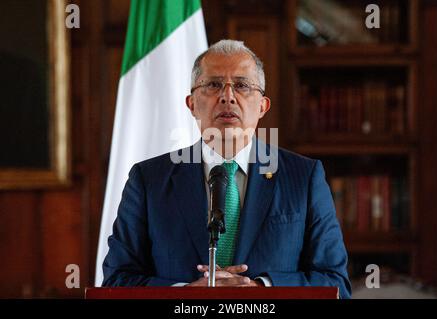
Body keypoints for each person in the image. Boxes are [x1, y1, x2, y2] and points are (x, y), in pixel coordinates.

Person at [102, 39, 351, 298]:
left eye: (242, 85)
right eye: (213, 85)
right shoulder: (148, 179)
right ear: (191, 104)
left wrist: (259, 289)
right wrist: (184, 294)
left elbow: (335, 284)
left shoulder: (304, 177)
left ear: (263, 106)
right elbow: (117, 279)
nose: (228, 96)